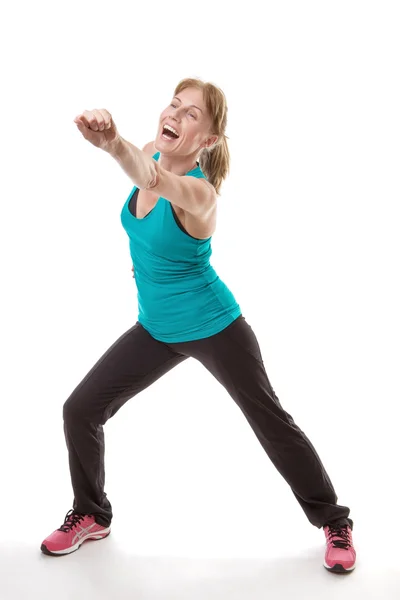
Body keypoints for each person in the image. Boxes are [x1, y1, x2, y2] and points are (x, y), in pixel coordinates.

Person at [41, 78, 356, 573]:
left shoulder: (199, 195)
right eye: (175, 104)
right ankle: (91, 513)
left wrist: (111, 144)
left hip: (214, 325)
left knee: (270, 421)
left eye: (192, 115)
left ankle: (334, 520)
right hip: (155, 328)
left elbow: (152, 180)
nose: (176, 114)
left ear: (207, 141)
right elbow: (144, 173)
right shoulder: (148, 152)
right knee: (80, 408)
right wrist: (119, 151)